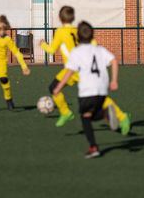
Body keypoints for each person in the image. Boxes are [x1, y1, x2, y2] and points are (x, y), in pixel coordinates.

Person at [40, 6, 130, 134]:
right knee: (99, 97)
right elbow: (92, 43)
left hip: (73, 69)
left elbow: (51, 50)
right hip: (82, 69)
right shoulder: (78, 30)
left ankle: (66, 112)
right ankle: (122, 116)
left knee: (54, 89)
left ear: (60, 18)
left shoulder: (60, 32)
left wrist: (42, 44)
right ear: (73, 18)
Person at [53, 21, 125, 158]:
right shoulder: (100, 49)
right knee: (93, 112)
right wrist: (114, 81)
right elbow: (114, 61)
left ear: (78, 37)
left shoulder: (76, 52)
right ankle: (105, 113)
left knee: (86, 117)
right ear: (92, 35)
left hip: (87, 89)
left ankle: (94, 146)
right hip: (102, 89)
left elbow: (69, 71)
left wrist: (58, 87)